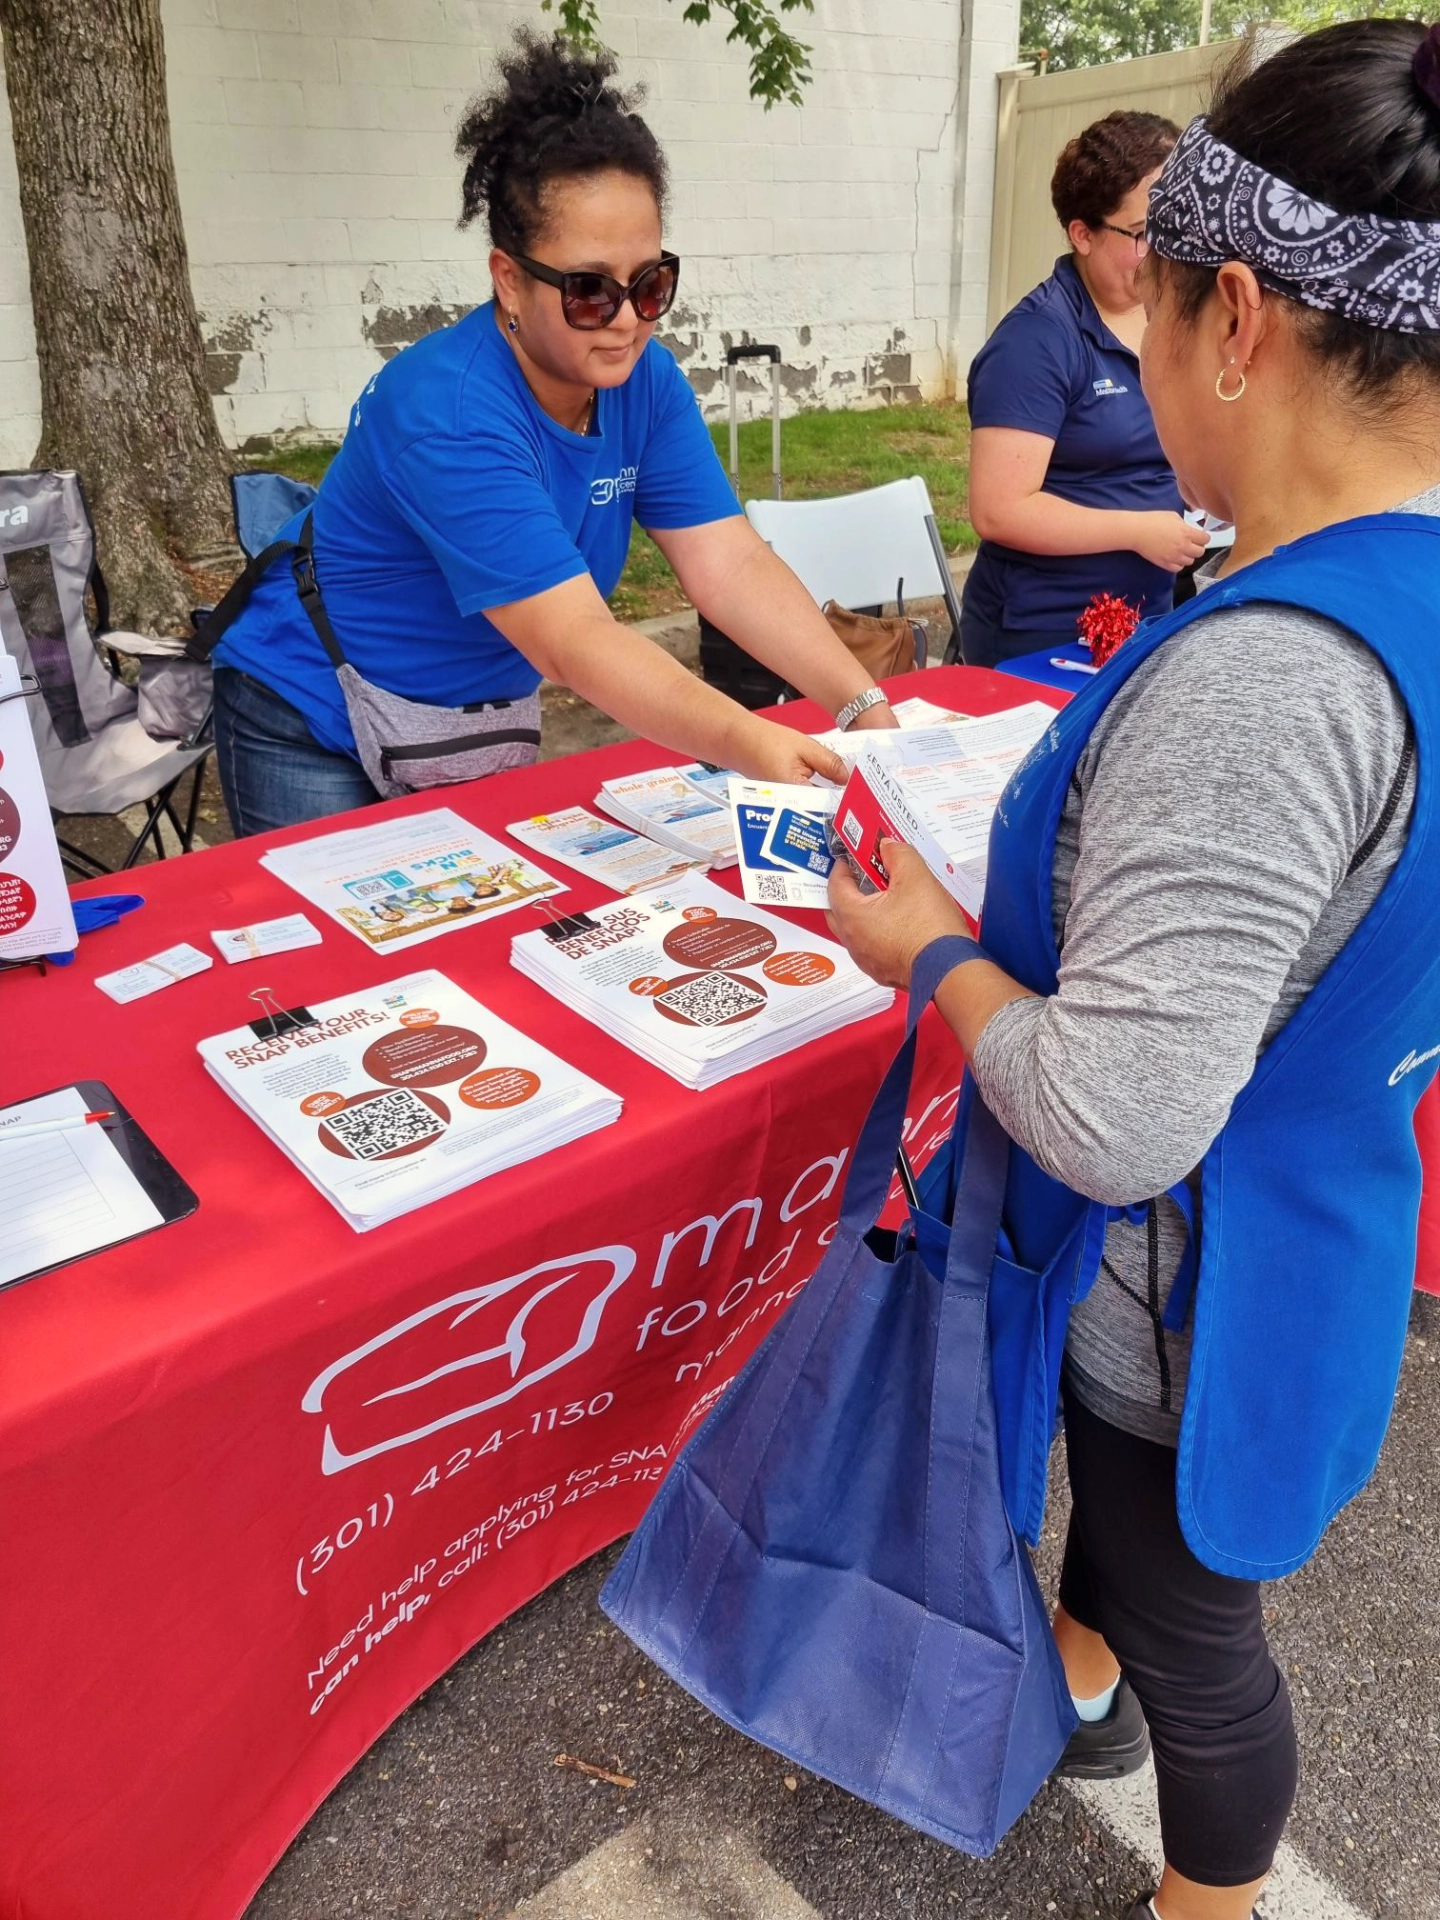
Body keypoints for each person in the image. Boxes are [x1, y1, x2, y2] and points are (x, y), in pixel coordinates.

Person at [828, 21, 1440, 1920]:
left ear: (1232, 318)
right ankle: (1077, 1678)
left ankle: (1208, 1896)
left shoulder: (1273, 674)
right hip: (1312, 1210)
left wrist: (929, 947)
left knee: (1203, 1633)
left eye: (1157, 307)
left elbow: (1111, 1115)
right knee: (1138, 1528)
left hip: (1196, 1276)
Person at [207, 32, 894, 837]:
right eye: (590, 291)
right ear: (509, 280)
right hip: (312, 707)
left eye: (651, 282)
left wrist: (863, 705)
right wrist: (749, 741)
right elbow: (572, 638)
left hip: (468, 718)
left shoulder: (645, 380)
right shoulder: (446, 414)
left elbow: (730, 563)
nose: (629, 318)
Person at [960, 111, 1207, 668]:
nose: (1163, 249)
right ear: (1083, 234)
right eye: (1142, 233)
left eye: (1173, 226)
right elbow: (1000, 510)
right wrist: (1138, 531)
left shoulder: (1167, 315)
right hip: (1045, 631)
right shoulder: (1035, 341)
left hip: (1148, 614)